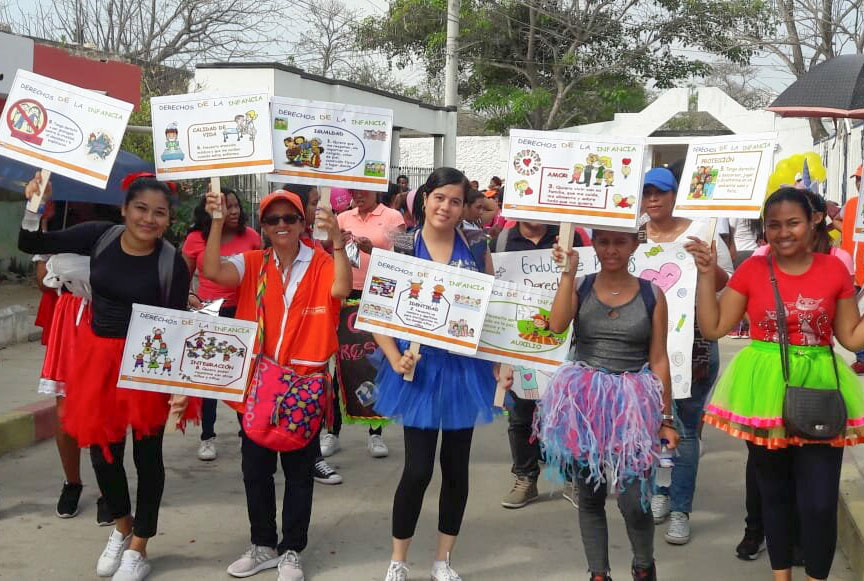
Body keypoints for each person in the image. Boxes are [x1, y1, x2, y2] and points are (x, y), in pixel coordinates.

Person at [18, 171, 195, 581]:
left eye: (159, 213)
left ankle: (139, 546)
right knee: (102, 451)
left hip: (146, 363)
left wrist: (178, 388)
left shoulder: (171, 261)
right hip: (97, 359)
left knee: (147, 456)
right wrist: (34, 205)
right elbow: (32, 243)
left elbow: (177, 324)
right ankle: (121, 526)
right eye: (141, 209)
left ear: (169, 219)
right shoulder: (100, 236)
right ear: (124, 210)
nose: (148, 219)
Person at [691, 186, 864, 581]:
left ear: (813, 221)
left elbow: (851, 338)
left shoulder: (835, 269)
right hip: (764, 390)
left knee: (820, 502)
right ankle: (781, 576)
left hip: (820, 387)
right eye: (773, 225)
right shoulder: (753, 269)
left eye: (793, 223)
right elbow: (714, 327)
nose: (783, 233)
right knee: (775, 494)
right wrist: (705, 276)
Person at [201, 188, 350, 581]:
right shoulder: (252, 263)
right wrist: (217, 222)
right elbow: (212, 271)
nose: (281, 225)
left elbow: (341, 289)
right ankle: (263, 544)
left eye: (290, 218)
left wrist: (336, 241)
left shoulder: (320, 263)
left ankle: (292, 550)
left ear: (303, 223)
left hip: (304, 385)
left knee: (299, 473)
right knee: (256, 471)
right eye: (272, 219)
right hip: (259, 385)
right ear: (262, 227)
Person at [528, 229, 678, 581]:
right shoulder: (580, 286)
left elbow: (658, 359)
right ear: (594, 244)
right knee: (590, 496)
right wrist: (567, 272)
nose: (611, 250)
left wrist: (666, 418)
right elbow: (556, 325)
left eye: (620, 242)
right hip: (585, 404)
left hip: (633, 406)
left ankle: (643, 565)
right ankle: (598, 573)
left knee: (633, 499)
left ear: (635, 245)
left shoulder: (651, 294)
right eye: (604, 241)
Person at [377, 168, 496, 581]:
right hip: (417, 371)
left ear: (465, 207)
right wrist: (394, 357)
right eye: (439, 197)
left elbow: (492, 309)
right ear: (425, 198)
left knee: (456, 467)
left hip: (466, 370)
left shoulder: (476, 244)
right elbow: (377, 309)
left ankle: (443, 560)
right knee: (417, 470)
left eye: (456, 200)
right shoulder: (403, 245)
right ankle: (398, 559)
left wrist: (503, 364)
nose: (446, 206)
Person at [640, 167, 733, 546]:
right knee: (651, 426)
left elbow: (729, 281)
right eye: (646, 193)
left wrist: (708, 265)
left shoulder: (703, 232)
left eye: (660, 192)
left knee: (687, 430)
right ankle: (659, 493)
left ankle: (680, 508)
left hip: (693, 345)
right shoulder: (634, 235)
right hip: (645, 347)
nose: (653, 200)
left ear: (676, 195)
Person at [490, 221, 575, 510]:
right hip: (519, 341)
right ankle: (526, 477)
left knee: (570, 412)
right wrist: (497, 352)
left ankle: (573, 476)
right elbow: (494, 294)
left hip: (566, 342)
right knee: (520, 413)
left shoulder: (573, 235)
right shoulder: (502, 240)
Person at [325, 189, 405, 460]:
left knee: (375, 363)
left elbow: (404, 255)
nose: (359, 196)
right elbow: (328, 252)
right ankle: (332, 431)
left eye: (363, 191)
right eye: (354, 192)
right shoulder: (342, 217)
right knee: (344, 364)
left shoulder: (392, 217)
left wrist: (374, 249)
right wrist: (337, 241)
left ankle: (375, 432)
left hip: (380, 294)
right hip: (347, 296)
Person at [183, 188, 262, 461]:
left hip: (244, 315)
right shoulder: (195, 239)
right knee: (209, 379)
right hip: (208, 314)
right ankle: (207, 436)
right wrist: (191, 297)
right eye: (227, 206)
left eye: (236, 205)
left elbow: (264, 274)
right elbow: (182, 277)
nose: (234, 210)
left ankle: (247, 432)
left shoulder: (251, 237)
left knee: (245, 379)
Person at [840, 165, 864, 374]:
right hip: (850, 270)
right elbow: (840, 223)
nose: (859, 183)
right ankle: (862, 357)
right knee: (852, 316)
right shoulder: (851, 204)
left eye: (861, 179)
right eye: (857, 179)